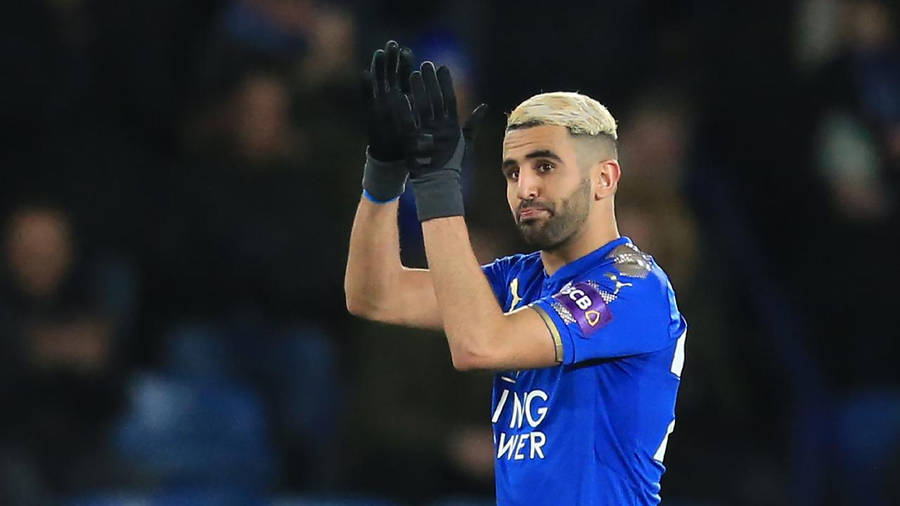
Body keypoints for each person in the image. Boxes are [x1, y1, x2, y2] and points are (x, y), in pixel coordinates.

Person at [345, 40, 687, 505]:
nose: (525, 187)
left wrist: (438, 184)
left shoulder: (632, 286)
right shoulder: (518, 279)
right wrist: (385, 172)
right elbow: (374, 294)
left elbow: (479, 345)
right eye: (512, 171)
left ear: (604, 178)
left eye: (545, 166)